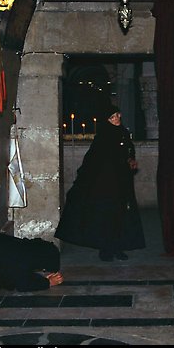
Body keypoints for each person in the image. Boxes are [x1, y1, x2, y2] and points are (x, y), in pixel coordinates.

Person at [55, 104, 146, 261]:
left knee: (121, 215)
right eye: (112, 117)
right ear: (107, 120)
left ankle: (118, 247)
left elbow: (128, 151)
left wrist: (130, 160)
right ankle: (106, 249)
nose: (116, 118)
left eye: (117, 115)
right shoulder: (103, 136)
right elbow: (94, 159)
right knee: (106, 216)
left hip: (122, 183)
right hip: (106, 185)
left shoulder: (123, 133)